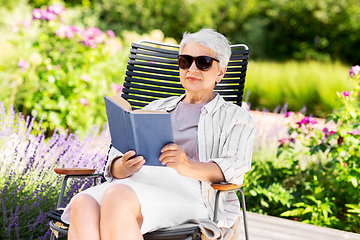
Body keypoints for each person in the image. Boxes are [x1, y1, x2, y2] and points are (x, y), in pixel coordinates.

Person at [61, 28, 255, 240]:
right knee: (83, 203)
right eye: (185, 61)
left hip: (191, 191)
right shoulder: (155, 107)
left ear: (220, 72)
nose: (192, 69)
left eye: (204, 62)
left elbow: (235, 167)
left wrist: (186, 165)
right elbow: (114, 161)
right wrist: (123, 166)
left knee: (117, 196)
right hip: (136, 182)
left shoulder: (235, 118)